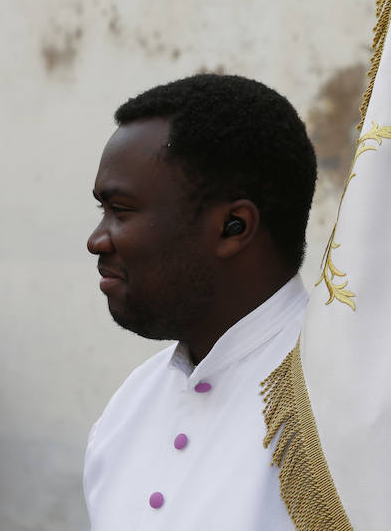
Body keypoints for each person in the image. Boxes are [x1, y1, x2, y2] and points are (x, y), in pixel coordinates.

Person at [83, 74, 317, 530]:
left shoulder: (345, 409)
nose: (96, 241)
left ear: (233, 227)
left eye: (122, 211)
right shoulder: (128, 408)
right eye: (102, 211)